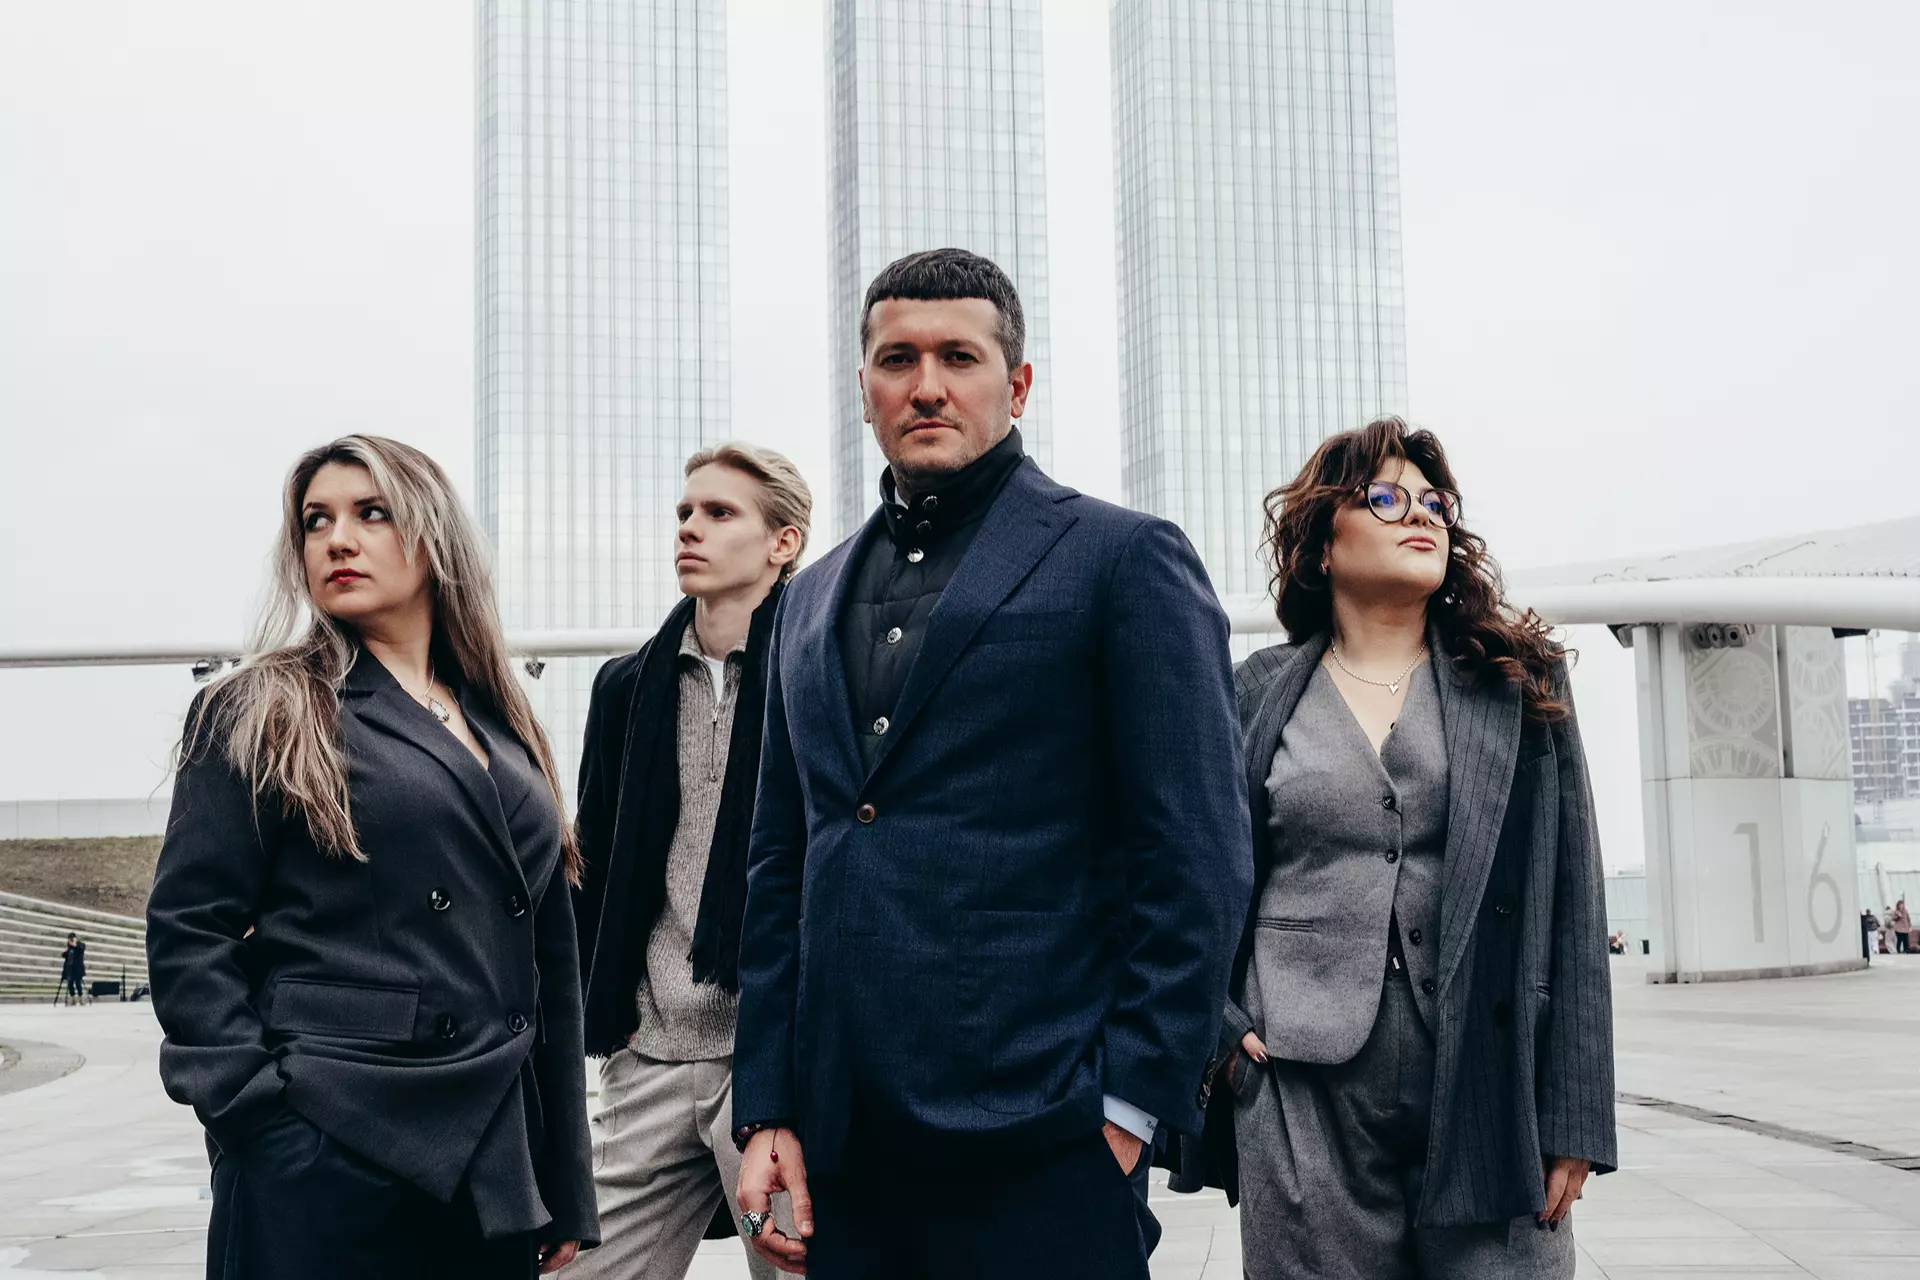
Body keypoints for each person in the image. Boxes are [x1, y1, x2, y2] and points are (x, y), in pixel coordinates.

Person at [729, 248, 1253, 1279]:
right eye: (898, 359)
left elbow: (1196, 853)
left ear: (1016, 385)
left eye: (958, 357)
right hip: (847, 1143)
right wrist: (769, 1104)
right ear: (866, 389)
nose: (926, 384)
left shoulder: (1123, 558)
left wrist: (1129, 1102)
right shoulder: (804, 598)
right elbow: (779, 862)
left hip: (1049, 1136)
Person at [146, 435, 597, 1279]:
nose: (337, 540)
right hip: (328, 1139)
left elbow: (549, 963)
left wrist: (563, 1178)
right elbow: (188, 929)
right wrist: (254, 1117)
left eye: (371, 513)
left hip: (488, 1164)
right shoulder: (265, 704)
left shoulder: (504, 722)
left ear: (434, 536)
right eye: (315, 521)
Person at [1192, 418, 1617, 1279]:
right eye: (1384, 498)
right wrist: (1222, 1037)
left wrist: (1575, 1115)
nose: (1419, 514)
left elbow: (1575, 897)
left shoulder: (1519, 682)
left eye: (1434, 502)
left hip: (1489, 1077)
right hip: (1300, 1085)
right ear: (1322, 546)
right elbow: (1194, 877)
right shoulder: (1254, 693)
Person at [570, 443, 811, 1280]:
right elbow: (593, 868)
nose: (690, 528)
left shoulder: (821, 676)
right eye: (684, 512)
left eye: (719, 513)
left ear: (783, 542)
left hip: (779, 1059)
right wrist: (607, 1013)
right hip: (653, 1050)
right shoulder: (624, 688)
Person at [57, 933, 86, 1006]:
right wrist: (66, 950)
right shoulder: (69, 947)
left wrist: (75, 945)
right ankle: (73, 998)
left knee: (78, 984)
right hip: (70, 970)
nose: (71, 941)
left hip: (78, 969)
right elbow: (64, 955)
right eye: (70, 939)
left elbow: (81, 948)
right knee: (70, 984)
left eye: (72, 939)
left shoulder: (81, 945)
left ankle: (81, 998)